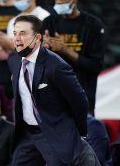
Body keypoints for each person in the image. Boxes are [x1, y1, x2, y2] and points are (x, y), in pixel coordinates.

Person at [8, 15, 100, 165]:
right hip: (26, 135)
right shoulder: (15, 60)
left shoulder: (56, 65)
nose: (17, 38)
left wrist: (76, 132)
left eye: (23, 33)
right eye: (15, 33)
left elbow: (80, 101)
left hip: (53, 134)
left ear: (37, 38)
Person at [41, 0, 105, 114]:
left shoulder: (93, 24)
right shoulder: (48, 22)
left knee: (82, 135)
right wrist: (42, 50)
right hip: (54, 95)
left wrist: (65, 50)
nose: (58, 2)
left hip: (82, 95)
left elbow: (96, 66)